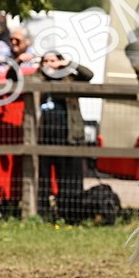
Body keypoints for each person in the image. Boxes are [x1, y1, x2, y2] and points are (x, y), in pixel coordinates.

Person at [35, 51, 94, 218]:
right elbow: (14, 77)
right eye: (45, 61)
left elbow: (88, 75)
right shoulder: (38, 79)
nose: (49, 64)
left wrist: (69, 64)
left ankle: (69, 215)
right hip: (43, 139)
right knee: (42, 180)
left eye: (52, 60)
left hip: (69, 138)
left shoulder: (70, 79)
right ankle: (42, 213)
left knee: (69, 180)